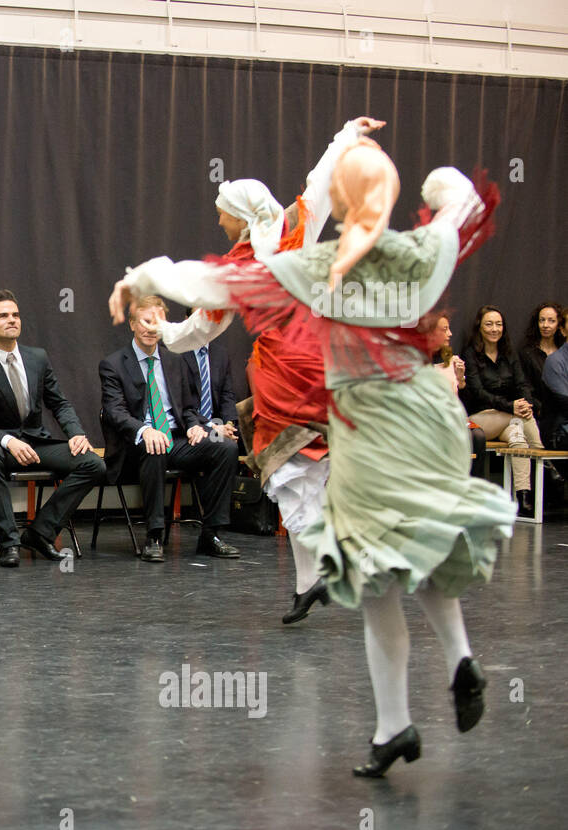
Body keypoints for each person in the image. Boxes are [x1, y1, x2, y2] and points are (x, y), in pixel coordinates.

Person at [112, 139, 513, 777]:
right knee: (427, 543)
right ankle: (458, 657)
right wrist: (438, 189)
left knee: (376, 581)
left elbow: (213, 282)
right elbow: (454, 201)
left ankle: (394, 725)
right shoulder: (423, 251)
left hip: (371, 424)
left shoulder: (317, 264)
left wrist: (145, 276)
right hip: (430, 418)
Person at [118, 116, 384, 624]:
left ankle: (342, 559)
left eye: (222, 215)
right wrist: (346, 135)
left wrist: (161, 323)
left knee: (289, 473)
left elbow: (201, 318)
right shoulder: (294, 227)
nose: (218, 222)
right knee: (310, 472)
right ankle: (312, 580)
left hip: (288, 367)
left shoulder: (243, 266)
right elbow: (323, 182)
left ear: (239, 216)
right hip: (318, 354)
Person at [0, 290, 105, 567]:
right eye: (3, 316)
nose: (12, 320)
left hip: (36, 441)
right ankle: (9, 544)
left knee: (93, 463)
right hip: (0, 445)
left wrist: (76, 433)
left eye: (15, 315)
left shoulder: (37, 358)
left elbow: (60, 403)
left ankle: (41, 533)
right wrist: (8, 441)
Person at [99, 295, 240, 562]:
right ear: (132, 324)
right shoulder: (114, 364)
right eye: (146, 321)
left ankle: (211, 534)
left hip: (175, 438)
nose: (152, 328)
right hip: (137, 445)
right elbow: (115, 412)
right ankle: (154, 535)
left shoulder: (174, 360)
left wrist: (195, 427)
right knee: (155, 444)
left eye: (159, 322)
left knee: (225, 447)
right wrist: (145, 430)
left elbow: (187, 407)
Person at [460, 306, 544, 515]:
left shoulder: (509, 353)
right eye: (489, 324)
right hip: (480, 419)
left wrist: (526, 404)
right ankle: (550, 466)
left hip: (508, 419)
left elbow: (522, 383)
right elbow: (478, 392)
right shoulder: (470, 354)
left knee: (517, 435)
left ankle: (523, 498)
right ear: (479, 327)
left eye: (499, 324)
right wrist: (512, 407)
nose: (494, 329)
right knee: (519, 419)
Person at [426, 310, 486, 474]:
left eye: (449, 329)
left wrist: (461, 380)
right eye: (444, 330)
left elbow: (466, 402)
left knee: (479, 436)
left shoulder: (452, 360)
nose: (450, 334)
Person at [518, 301, 566, 481]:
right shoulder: (527, 353)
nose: (545, 325)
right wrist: (538, 407)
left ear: (559, 325)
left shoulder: (563, 353)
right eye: (542, 320)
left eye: (551, 321)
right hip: (541, 413)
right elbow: (525, 386)